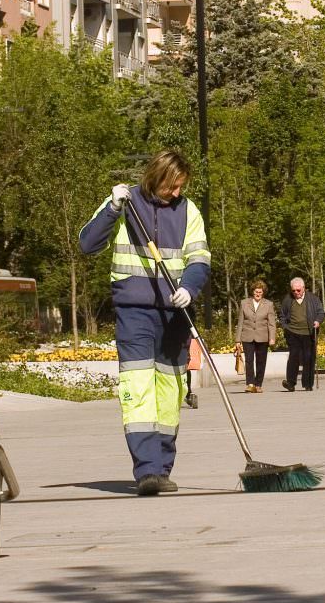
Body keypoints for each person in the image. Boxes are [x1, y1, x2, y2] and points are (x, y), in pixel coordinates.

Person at [79, 150, 210, 497]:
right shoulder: (126, 203)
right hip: (134, 311)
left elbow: (199, 258)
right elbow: (88, 244)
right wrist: (111, 208)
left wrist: (189, 288)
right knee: (138, 388)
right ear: (158, 177)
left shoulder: (188, 211)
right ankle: (147, 470)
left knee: (170, 392)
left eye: (182, 187)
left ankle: (162, 468)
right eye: (172, 187)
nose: (177, 193)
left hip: (174, 313)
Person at [279, 277, 325, 391]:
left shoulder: (313, 298)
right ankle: (290, 383)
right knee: (293, 357)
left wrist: (318, 321)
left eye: (298, 290)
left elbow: (321, 312)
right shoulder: (288, 299)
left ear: (303, 288)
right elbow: (282, 315)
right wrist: (286, 327)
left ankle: (308, 384)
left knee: (308, 358)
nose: (296, 293)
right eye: (294, 290)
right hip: (293, 332)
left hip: (309, 332)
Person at [234, 280, 277, 393]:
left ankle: (258, 384)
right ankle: (250, 384)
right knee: (249, 360)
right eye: (256, 291)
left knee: (261, 361)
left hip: (263, 337)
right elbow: (240, 322)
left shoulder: (269, 304)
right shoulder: (244, 303)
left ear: (263, 293)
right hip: (247, 336)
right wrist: (237, 339)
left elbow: (272, 323)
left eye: (260, 292)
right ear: (252, 292)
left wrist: (272, 338)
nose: (258, 294)